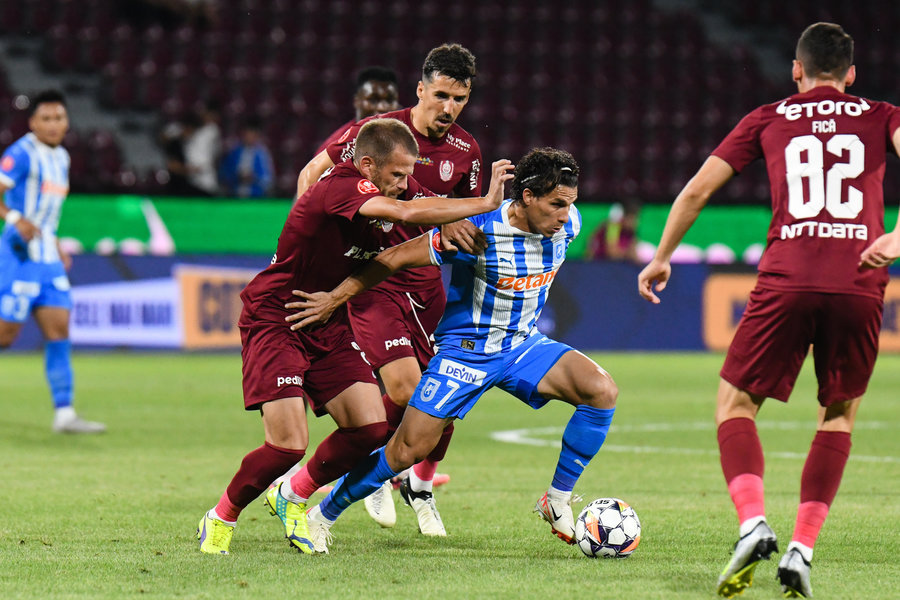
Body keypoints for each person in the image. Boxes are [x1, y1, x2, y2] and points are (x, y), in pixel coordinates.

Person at [637, 22, 900, 599]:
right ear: (852, 74)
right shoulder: (883, 115)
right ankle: (803, 548)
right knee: (838, 414)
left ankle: (753, 523)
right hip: (859, 278)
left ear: (796, 71)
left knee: (735, 403)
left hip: (787, 276)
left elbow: (697, 192)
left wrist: (661, 257)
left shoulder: (769, 116)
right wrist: (899, 236)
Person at [195, 117, 512, 555]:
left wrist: (453, 225)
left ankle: (292, 498)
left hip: (326, 318)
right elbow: (406, 213)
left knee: (369, 428)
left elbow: (419, 212)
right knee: (288, 445)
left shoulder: (394, 188)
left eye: (409, 174)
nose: (405, 184)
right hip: (279, 317)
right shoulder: (340, 187)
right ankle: (220, 518)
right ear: (366, 165)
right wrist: (485, 201)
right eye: (397, 175)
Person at [283, 147, 618, 554]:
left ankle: (557, 500)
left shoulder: (568, 226)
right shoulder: (475, 231)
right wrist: (335, 298)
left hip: (522, 347)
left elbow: (564, 220)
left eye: (570, 204)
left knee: (601, 391)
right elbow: (392, 259)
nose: (566, 215)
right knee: (406, 451)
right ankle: (322, 515)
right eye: (556, 204)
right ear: (527, 196)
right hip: (466, 353)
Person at [291, 43, 483, 535]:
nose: (449, 108)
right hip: (375, 279)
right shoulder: (379, 134)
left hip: (429, 285)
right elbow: (312, 174)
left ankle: (419, 482)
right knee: (404, 389)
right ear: (420, 89)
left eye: (459, 99)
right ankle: (371, 472)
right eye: (441, 95)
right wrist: (312, 244)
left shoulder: (467, 152)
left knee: (446, 401)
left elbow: (468, 217)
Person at [0, 89, 105, 434]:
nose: (53, 124)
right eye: (45, 118)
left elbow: (49, 212)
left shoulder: (61, 157)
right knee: (6, 334)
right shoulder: (21, 153)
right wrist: (15, 219)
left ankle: (65, 413)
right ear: (32, 123)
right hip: (18, 256)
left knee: (58, 329)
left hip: (48, 259)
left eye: (58, 117)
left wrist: (56, 243)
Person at [314, 66, 401, 155]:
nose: (382, 107)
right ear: (357, 101)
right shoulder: (334, 149)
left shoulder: (409, 138)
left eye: (389, 100)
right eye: (373, 100)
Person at [219, 116, 275, 198]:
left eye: (252, 134)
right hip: (235, 196)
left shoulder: (262, 154)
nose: (249, 137)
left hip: (256, 197)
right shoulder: (235, 152)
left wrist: (253, 177)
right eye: (247, 134)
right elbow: (224, 174)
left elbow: (268, 180)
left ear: (257, 135)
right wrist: (237, 176)